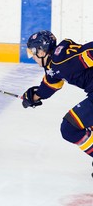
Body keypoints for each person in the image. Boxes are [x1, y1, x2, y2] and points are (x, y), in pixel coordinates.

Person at [22, 30, 93, 159]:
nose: (32, 56)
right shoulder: (56, 62)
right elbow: (51, 82)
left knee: (69, 129)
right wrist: (34, 96)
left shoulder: (61, 62)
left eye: (32, 52)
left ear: (42, 51)